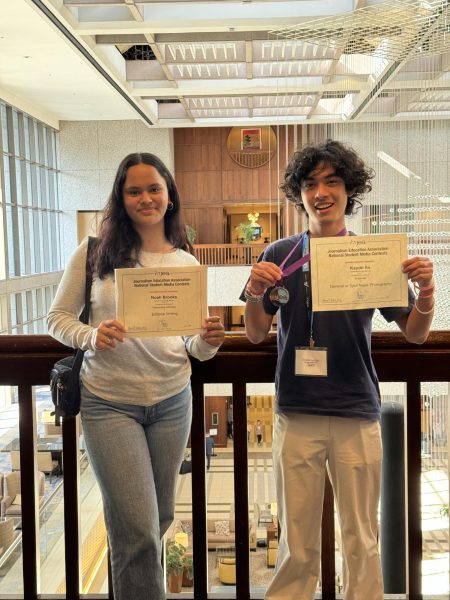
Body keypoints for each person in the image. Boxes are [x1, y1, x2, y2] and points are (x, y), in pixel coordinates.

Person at [242, 139, 434, 600]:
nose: (321, 192)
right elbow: (253, 333)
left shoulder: (371, 255)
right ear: (299, 193)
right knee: (296, 545)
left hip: (356, 411)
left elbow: (415, 333)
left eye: (332, 181)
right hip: (296, 411)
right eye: (310, 184)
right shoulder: (279, 254)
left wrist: (426, 294)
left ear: (350, 189)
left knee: (362, 541)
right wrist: (252, 291)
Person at [47, 152, 225, 600]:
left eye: (154, 189)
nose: (145, 198)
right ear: (120, 198)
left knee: (156, 520)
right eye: (134, 190)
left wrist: (211, 338)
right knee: (138, 530)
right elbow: (56, 318)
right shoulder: (93, 254)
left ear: (168, 196)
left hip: (172, 401)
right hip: (109, 403)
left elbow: (192, 347)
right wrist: (91, 335)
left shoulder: (186, 263)